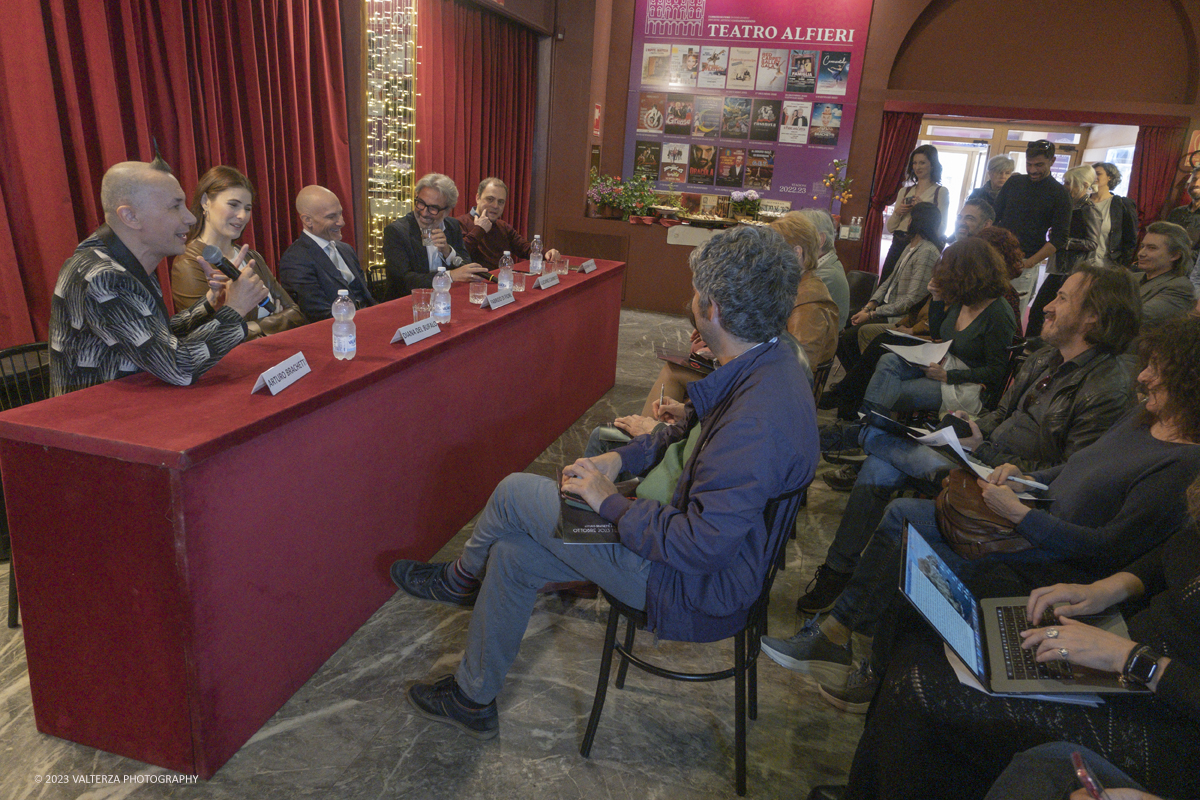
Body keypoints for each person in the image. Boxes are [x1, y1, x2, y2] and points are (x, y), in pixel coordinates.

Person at [387, 225, 818, 740]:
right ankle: (472, 697)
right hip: (684, 557)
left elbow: (698, 545)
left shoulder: (756, 419)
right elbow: (689, 434)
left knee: (512, 493)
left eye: (698, 292)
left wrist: (608, 502)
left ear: (716, 309)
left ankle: (458, 580)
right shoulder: (771, 358)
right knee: (513, 556)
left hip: (683, 584)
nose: (692, 301)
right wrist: (622, 458)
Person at [762, 315, 1200, 718]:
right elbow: (1074, 467)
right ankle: (839, 635)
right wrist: (1023, 478)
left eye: (1158, 370)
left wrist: (1021, 514)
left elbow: (1108, 551)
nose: (1143, 376)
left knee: (909, 540)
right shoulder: (1144, 418)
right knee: (900, 512)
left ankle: (859, 655)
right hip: (1023, 513)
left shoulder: (1181, 463)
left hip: (1047, 555)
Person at [839, 472, 1200, 800]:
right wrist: (1105, 590)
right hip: (1128, 652)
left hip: (1169, 719)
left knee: (921, 685)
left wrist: (1134, 659)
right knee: (924, 631)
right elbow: (1170, 556)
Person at [799, 265, 1139, 612]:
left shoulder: (1106, 388)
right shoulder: (1045, 359)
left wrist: (984, 449)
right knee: (880, 466)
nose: (1047, 306)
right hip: (979, 460)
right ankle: (839, 573)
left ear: (1092, 318)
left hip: (1006, 489)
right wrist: (970, 425)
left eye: (1063, 298)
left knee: (883, 453)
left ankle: (841, 451)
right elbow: (1000, 416)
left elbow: (1068, 478)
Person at [49, 160, 267, 396]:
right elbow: (179, 367)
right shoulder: (102, 276)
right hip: (94, 422)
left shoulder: (124, 260)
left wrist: (211, 305)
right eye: (175, 207)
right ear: (130, 216)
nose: (191, 218)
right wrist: (235, 309)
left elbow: (156, 338)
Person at [825, 237, 1017, 464]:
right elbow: (939, 335)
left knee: (888, 391)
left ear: (968, 272)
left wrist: (949, 375)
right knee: (888, 360)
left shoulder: (998, 313)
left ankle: (862, 438)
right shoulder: (965, 298)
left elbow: (996, 372)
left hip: (966, 386)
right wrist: (936, 299)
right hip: (943, 366)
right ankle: (866, 438)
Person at [630, 214, 834, 421]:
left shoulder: (808, 299)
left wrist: (724, 344)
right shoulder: (794, 289)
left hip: (754, 382)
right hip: (751, 376)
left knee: (672, 373)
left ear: (797, 253)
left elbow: (797, 362)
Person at [171, 166, 305, 340]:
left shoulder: (252, 257)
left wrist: (250, 326)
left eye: (247, 208)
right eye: (233, 205)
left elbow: (296, 315)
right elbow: (209, 338)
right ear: (205, 201)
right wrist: (274, 321)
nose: (242, 215)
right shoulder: (189, 262)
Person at [836, 202, 941, 377]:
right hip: (884, 308)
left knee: (849, 337)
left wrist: (872, 314)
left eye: (909, 217)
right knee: (840, 332)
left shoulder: (927, 252)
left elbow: (912, 299)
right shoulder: (910, 247)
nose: (906, 221)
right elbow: (888, 281)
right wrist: (868, 307)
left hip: (899, 316)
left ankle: (857, 382)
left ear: (916, 221)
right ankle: (855, 381)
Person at [993, 140, 1073, 314]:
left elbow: (1059, 238)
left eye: (1039, 165)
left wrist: (1030, 262)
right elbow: (994, 217)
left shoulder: (1059, 194)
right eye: (1029, 164)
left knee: (1012, 315)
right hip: (996, 256)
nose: (1033, 170)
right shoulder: (1014, 183)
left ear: (1052, 161)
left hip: (1025, 261)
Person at [278, 185, 375, 322]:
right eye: (331, 217)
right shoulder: (295, 259)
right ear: (307, 220)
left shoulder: (346, 249)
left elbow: (367, 297)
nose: (341, 222)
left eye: (340, 213)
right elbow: (318, 315)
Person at [1026, 165, 1101, 338]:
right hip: (1060, 268)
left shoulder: (1089, 209)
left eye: (1069, 183)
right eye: (1065, 182)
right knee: (1039, 311)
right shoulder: (1067, 205)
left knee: (1046, 312)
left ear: (1083, 184)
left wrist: (1063, 242)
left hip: (1072, 270)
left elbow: (1092, 243)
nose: (1065, 186)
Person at [383, 172, 487, 297]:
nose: (424, 212)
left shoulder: (452, 226)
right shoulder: (396, 231)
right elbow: (404, 281)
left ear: (447, 210)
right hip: (409, 302)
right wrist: (449, 276)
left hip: (446, 299)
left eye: (433, 208)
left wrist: (448, 252)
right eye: (420, 203)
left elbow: (465, 265)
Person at [453, 177, 560, 271]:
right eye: (490, 199)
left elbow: (525, 248)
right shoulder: (458, 223)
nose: (495, 206)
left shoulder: (502, 226)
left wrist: (547, 252)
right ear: (477, 198)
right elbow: (457, 256)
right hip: (474, 288)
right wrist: (479, 229)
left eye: (501, 202)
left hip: (501, 284)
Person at [881, 145, 950, 282]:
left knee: (910, 285)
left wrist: (923, 209)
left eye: (922, 162)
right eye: (915, 163)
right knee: (886, 281)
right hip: (899, 242)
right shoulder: (904, 191)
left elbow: (942, 228)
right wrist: (898, 212)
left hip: (922, 244)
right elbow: (890, 228)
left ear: (932, 165)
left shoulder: (940, 192)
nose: (918, 167)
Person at [1132, 221, 1197, 331]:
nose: (1141, 253)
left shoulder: (1181, 288)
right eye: (1142, 246)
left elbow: (1135, 317)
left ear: (1175, 255)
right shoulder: (1134, 277)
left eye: (1152, 248)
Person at [797, 208, 850, 327]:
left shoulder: (827, 275)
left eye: (798, 236)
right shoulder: (824, 264)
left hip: (816, 343)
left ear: (820, 240)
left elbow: (784, 306)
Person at [1091, 161, 1138, 268]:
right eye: (1091, 174)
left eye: (1098, 173)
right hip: (1079, 266)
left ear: (1110, 177)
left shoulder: (1122, 205)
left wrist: (1121, 266)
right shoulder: (1082, 203)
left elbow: (1130, 240)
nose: (1093, 177)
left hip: (1107, 267)